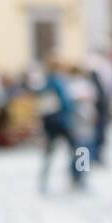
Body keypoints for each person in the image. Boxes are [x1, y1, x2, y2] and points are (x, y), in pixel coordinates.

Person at [36, 58, 85, 191]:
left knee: (49, 153)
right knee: (80, 150)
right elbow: (66, 103)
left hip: (50, 123)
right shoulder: (59, 82)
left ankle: (43, 180)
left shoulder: (45, 83)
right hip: (63, 121)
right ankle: (79, 179)